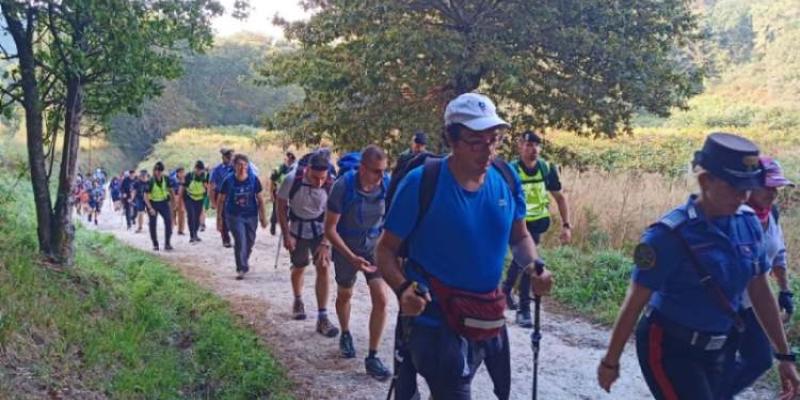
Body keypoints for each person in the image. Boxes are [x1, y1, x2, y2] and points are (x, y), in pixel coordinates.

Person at [376, 93, 553, 399]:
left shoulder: (506, 177)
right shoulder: (422, 183)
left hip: (488, 315)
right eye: (475, 141)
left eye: (493, 140)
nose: (487, 150)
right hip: (435, 323)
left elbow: (520, 237)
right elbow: (385, 250)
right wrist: (403, 288)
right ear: (452, 140)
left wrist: (535, 267)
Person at [597, 133, 800, 399]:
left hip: (720, 347)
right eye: (734, 187)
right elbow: (635, 300)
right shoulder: (666, 235)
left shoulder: (748, 224)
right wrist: (610, 361)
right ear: (705, 180)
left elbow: (760, 289)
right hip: (668, 347)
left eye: (747, 188)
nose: (743, 196)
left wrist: (784, 356)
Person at [719, 156, 796, 399]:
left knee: (760, 359)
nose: (773, 193)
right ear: (749, 183)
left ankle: (716, 394)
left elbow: (778, 252)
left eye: (776, 187)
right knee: (724, 362)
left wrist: (785, 290)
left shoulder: (771, 213)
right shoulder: (727, 215)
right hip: (724, 305)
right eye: (767, 186)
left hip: (754, 304)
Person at [323, 145, 392, 381]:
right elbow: (330, 229)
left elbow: (391, 221)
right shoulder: (342, 187)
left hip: (374, 247)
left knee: (381, 299)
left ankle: (372, 356)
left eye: (383, 170)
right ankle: (345, 333)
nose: (380, 176)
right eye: (376, 171)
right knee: (345, 294)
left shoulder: (386, 184)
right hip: (346, 247)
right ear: (362, 168)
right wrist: (351, 256)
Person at [501, 130, 572, 327]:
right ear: (520, 146)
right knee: (529, 263)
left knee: (521, 260)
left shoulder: (545, 168)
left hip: (537, 222)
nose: (533, 149)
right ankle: (524, 309)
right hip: (517, 223)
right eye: (528, 145)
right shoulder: (511, 170)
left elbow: (560, 197)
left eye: (537, 145)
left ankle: (505, 291)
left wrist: (566, 225)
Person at [276, 150, 340, 338]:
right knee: (299, 266)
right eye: (315, 177)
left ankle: (322, 317)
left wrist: (326, 242)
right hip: (297, 228)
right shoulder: (291, 179)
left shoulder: (331, 183)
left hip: (321, 228)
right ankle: (297, 299)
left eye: (323, 178)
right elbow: (280, 206)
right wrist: (286, 234)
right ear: (307, 170)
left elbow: (333, 212)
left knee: (323, 266)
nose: (320, 182)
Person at [216, 154, 267, 280]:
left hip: (251, 215)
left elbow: (260, 199)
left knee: (249, 241)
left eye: (244, 165)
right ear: (234, 166)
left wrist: (263, 217)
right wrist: (219, 219)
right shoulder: (228, 180)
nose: (242, 167)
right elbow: (221, 200)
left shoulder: (253, 179)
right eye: (239, 165)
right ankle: (241, 268)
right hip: (234, 215)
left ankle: (243, 259)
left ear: (248, 166)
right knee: (240, 239)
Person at [143, 162, 174, 251]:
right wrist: (150, 208)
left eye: (160, 171)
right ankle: (155, 244)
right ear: (154, 171)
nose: (158, 172)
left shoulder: (166, 179)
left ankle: (167, 243)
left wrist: (173, 203)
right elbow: (145, 196)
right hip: (153, 203)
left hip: (164, 203)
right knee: (153, 224)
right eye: (156, 170)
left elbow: (171, 191)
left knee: (168, 221)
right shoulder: (150, 181)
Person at [210, 148, 235, 248]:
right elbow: (212, 185)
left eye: (230, 157)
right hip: (222, 196)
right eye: (227, 157)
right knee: (223, 216)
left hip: (234, 195)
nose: (229, 159)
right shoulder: (217, 170)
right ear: (223, 157)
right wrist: (212, 201)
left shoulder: (235, 168)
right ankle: (226, 239)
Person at [181, 161, 209, 243]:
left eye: (201, 170)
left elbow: (207, 187)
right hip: (189, 198)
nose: (200, 172)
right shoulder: (189, 176)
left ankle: (195, 234)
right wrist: (181, 202)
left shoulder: (204, 176)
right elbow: (183, 188)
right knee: (191, 216)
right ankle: (192, 235)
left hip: (199, 198)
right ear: (195, 168)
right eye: (198, 170)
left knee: (197, 217)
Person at [269, 152, 297, 235]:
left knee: (287, 212)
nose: (289, 161)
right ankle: (273, 226)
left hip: (288, 193)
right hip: (278, 192)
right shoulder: (279, 168)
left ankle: (284, 229)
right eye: (288, 159)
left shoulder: (293, 169)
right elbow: (272, 180)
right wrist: (271, 193)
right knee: (275, 211)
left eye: (291, 159)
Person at [171, 167, 187, 236]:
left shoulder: (185, 179)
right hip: (174, 196)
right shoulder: (173, 180)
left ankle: (180, 230)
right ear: (177, 173)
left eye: (183, 172)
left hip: (182, 197)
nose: (183, 174)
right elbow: (171, 190)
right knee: (171, 213)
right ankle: (170, 229)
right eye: (181, 172)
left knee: (182, 213)